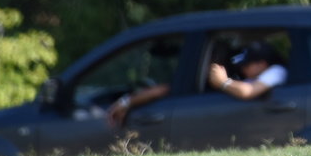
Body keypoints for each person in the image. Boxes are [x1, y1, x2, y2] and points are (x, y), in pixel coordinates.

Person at [108, 41, 288, 127]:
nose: (243, 70)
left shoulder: (276, 72)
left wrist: (223, 82)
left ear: (262, 64)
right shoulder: (258, 74)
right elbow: (164, 90)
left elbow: (247, 92)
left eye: (247, 65)